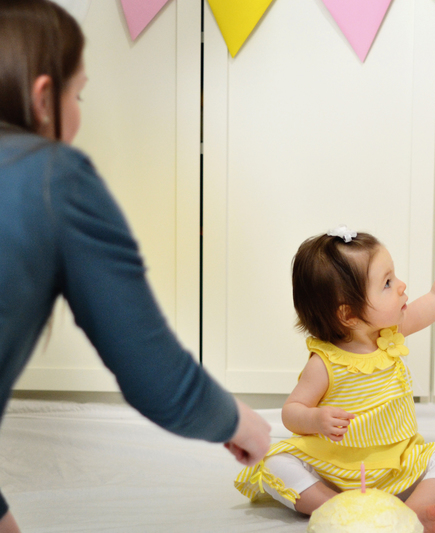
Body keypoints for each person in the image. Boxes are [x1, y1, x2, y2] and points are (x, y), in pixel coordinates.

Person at [0, 1, 271, 531]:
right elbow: (161, 382)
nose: (78, 112)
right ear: (42, 97)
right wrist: (243, 424)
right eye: (77, 95)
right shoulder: (55, 177)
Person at [234, 212, 435, 533]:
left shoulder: (392, 333)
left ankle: (408, 515)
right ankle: (337, 507)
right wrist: (315, 419)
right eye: (387, 283)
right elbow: (291, 412)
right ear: (348, 314)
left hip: (397, 464)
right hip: (334, 469)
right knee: (276, 464)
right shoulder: (325, 363)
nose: (401, 286)